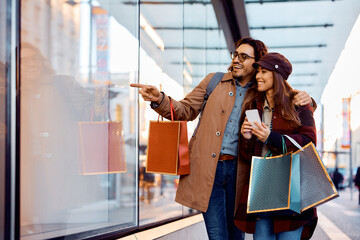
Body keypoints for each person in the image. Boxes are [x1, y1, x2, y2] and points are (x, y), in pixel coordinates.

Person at [131, 37, 313, 240]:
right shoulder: (214, 81)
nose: (236, 59)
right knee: (217, 235)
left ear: (258, 63)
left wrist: (306, 99)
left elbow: (284, 98)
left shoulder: (261, 92)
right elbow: (185, 110)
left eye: (244, 57)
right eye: (235, 54)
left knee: (237, 235)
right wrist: (159, 99)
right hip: (209, 171)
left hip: (242, 174)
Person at [237, 52, 317, 239]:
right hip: (262, 188)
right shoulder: (251, 106)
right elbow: (247, 156)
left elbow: (309, 142)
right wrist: (246, 138)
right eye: (257, 71)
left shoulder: (298, 103)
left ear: (277, 74)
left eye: (264, 71)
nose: (258, 76)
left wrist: (270, 137)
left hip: (292, 189)